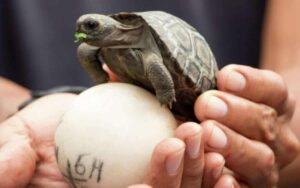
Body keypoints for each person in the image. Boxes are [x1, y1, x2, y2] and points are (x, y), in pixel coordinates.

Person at [0, 0, 299, 187]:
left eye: (91, 26)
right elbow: (87, 52)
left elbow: (292, 74)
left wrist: (255, 132)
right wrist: (31, 106)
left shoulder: (147, 46)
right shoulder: (97, 45)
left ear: (107, 26)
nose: (84, 29)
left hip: (199, 111)